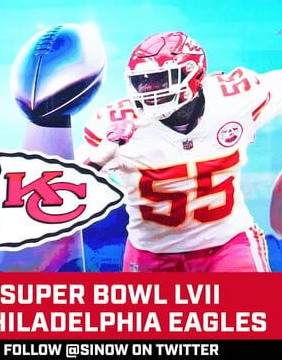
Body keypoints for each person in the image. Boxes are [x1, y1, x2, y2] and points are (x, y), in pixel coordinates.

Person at [80, 31, 282, 272]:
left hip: (227, 244)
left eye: (160, 79)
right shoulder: (114, 125)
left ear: (194, 75)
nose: (149, 89)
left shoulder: (236, 99)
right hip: (152, 254)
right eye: (142, 80)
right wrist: (98, 159)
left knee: (252, 307)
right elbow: (68, 192)